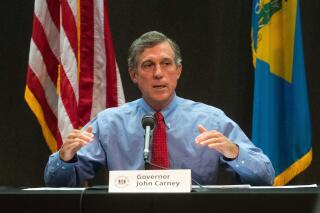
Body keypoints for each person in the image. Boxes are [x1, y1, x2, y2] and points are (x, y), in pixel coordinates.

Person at [44, 31, 275, 187]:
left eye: (166, 63)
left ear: (178, 70)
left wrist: (234, 151)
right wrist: (65, 159)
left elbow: (265, 176)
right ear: (134, 75)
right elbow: (56, 182)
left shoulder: (210, 119)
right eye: (148, 65)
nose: (158, 73)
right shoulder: (109, 123)